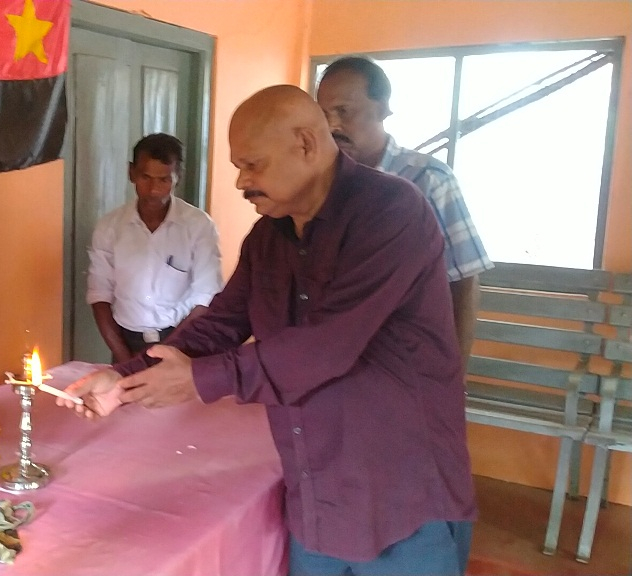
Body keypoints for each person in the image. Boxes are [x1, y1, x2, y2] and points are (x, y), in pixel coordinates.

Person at [60, 86, 476, 576]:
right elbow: (221, 323)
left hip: (401, 497)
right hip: (316, 491)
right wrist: (124, 378)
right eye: (239, 167)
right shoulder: (268, 236)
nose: (242, 181)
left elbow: (325, 346)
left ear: (305, 144)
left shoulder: (389, 211)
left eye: (252, 165)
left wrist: (199, 380)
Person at [316, 56, 493, 367]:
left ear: (383, 108)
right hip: (334, 360)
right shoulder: (320, 184)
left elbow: (463, 281)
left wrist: (454, 377)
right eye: (323, 114)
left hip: (406, 363)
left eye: (344, 111)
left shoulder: (428, 180)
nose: (332, 126)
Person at [86, 133, 222, 362]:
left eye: (164, 180)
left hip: (183, 342)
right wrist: (126, 360)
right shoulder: (109, 227)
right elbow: (100, 295)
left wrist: (169, 353)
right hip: (126, 344)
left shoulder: (199, 226)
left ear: (178, 177)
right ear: (131, 173)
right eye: (145, 177)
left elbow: (206, 298)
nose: (154, 190)